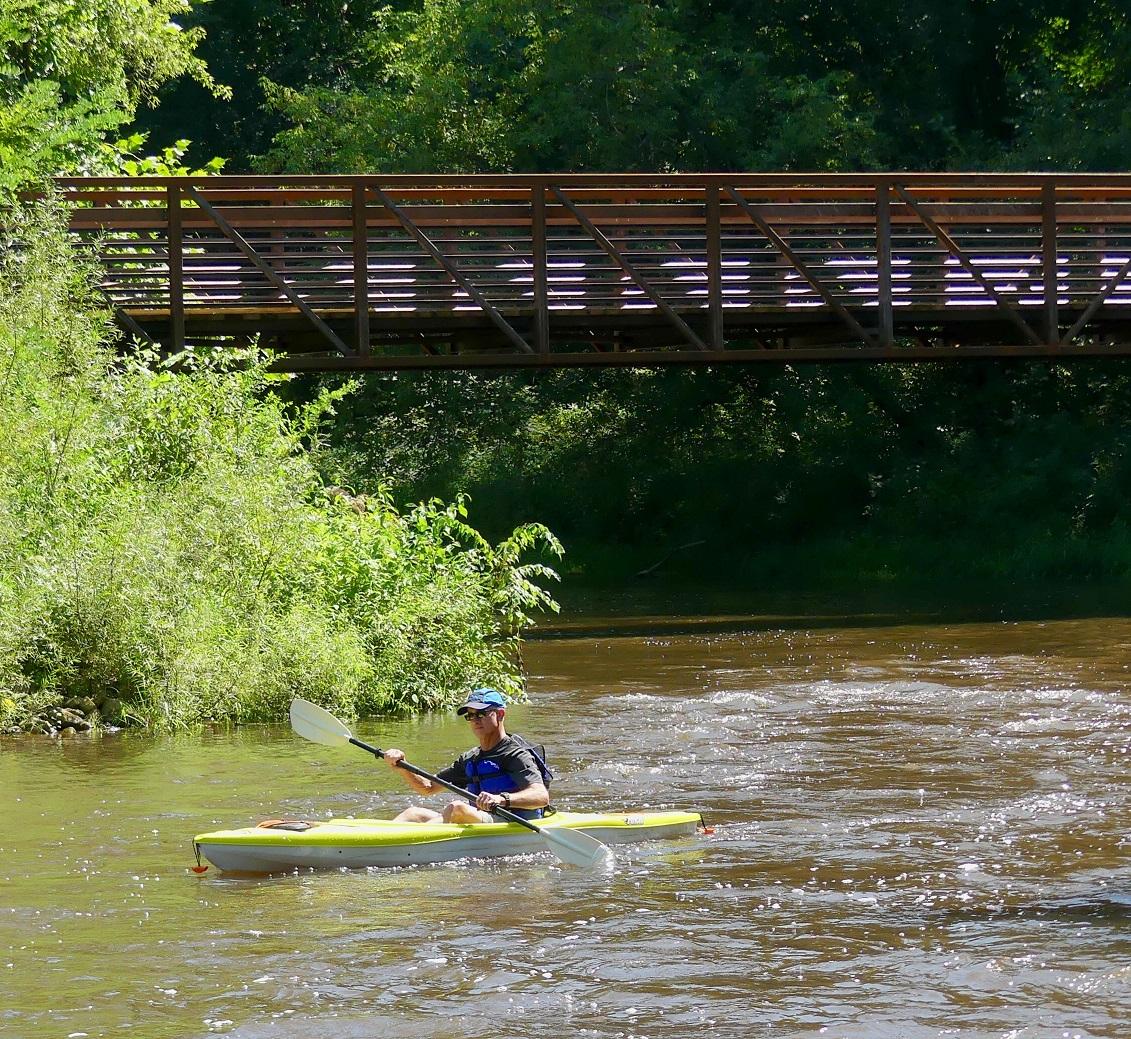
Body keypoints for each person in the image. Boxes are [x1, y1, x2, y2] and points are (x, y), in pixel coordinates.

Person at [383, 688, 552, 824]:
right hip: (482, 818)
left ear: (500, 714)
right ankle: (385, 842)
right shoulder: (471, 758)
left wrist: (501, 799)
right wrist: (402, 765)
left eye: (481, 714)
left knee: (457, 808)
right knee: (414, 813)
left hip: (514, 822)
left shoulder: (515, 754)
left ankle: (417, 845)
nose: (475, 720)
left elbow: (541, 797)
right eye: (470, 715)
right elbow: (428, 787)